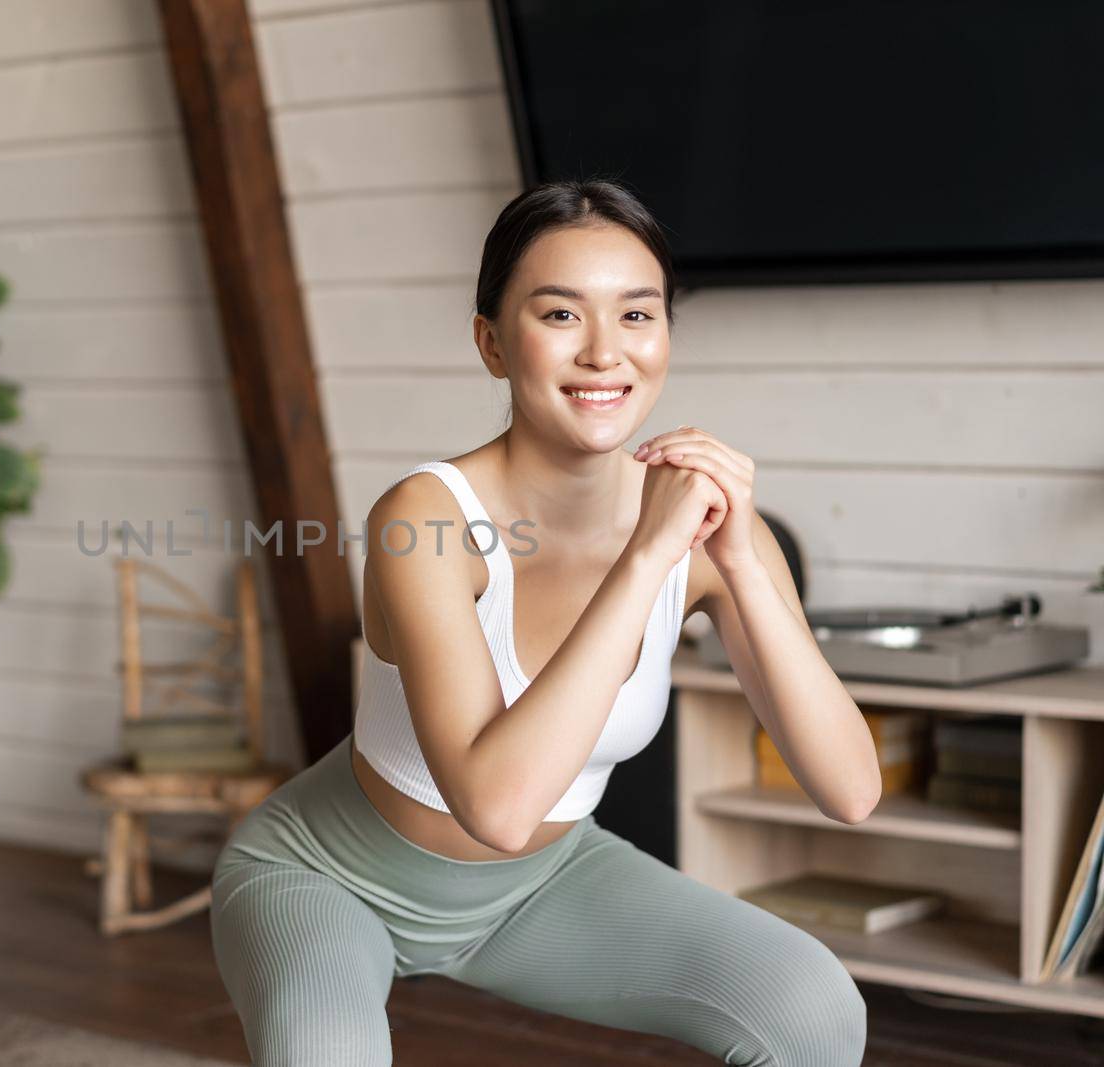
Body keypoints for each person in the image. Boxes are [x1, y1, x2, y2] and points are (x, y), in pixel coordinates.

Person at [208, 180, 880, 1066]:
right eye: (561, 314)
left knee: (813, 1009)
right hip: (328, 877)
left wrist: (745, 560)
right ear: (492, 341)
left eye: (637, 315)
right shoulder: (425, 518)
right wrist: (644, 560)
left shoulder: (710, 534)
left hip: (543, 887)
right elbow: (497, 804)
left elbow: (850, 789)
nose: (606, 353)